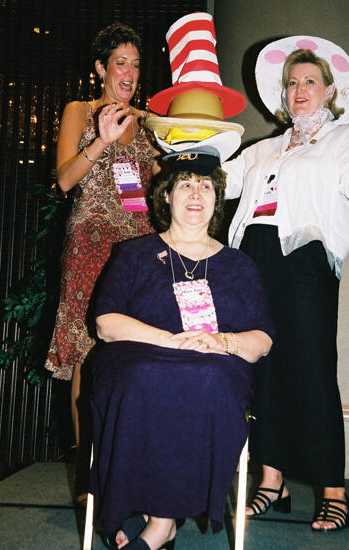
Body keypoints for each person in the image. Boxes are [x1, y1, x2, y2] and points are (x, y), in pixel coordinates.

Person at [90, 145, 274, 550]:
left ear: (217, 199)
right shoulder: (134, 254)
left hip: (214, 364)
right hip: (139, 356)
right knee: (143, 376)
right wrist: (168, 339)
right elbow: (106, 324)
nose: (195, 194)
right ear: (166, 197)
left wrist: (220, 341)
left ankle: (159, 524)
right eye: (185, 185)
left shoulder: (240, 265)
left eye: (206, 186)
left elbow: (261, 340)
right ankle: (150, 515)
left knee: (205, 379)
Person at [223, 35, 349, 531]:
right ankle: (270, 483)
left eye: (310, 82)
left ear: (328, 90)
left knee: (313, 368)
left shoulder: (343, 140)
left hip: (305, 258)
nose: (299, 90)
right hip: (253, 256)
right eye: (292, 83)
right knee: (264, 367)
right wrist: (181, 153)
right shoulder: (265, 148)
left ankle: (333, 489)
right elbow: (222, 180)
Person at [44, 22, 159, 500]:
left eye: (135, 64)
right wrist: (104, 141)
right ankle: (88, 477)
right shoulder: (80, 110)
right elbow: (66, 179)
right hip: (91, 243)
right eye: (120, 63)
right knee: (87, 358)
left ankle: (132, 466)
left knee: (138, 354)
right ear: (99, 69)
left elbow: (153, 193)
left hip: (139, 245)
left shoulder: (151, 120)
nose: (129, 72)